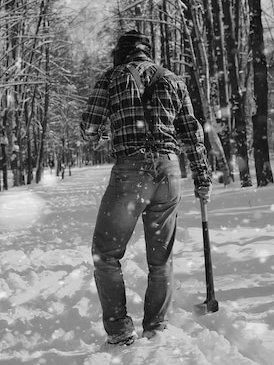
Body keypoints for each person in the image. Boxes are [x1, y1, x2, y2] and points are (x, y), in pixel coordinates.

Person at [80, 29, 212, 347]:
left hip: (132, 171)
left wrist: (102, 130)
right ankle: (156, 325)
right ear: (148, 53)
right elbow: (192, 134)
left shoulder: (111, 78)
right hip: (169, 172)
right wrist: (202, 176)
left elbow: (89, 129)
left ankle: (120, 329)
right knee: (160, 258)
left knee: (106, 254)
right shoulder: (173, 80)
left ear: (121, 53)